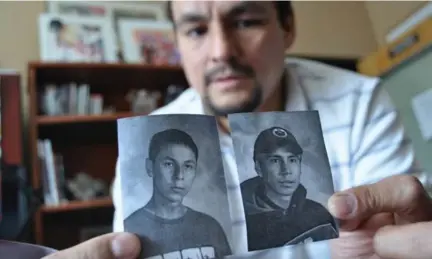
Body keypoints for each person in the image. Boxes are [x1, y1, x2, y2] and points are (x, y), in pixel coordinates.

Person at [39, 1, 432, 259]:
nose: (221, 51)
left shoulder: (360, 100)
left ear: (288, 27)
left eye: (245, 21)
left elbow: (395, 241)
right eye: (195, 30)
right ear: (176, 43)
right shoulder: (147, 139)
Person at [123, 129, 231, 259]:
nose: (179, 175)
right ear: (150, 167)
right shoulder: (130, 228)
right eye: (169, 164)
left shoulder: (210, 227)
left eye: (188, 166)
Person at [241, 127, 338, 250]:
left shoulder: (319, 215)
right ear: (259, 168)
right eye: (275, 160)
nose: (286, 171)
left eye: (292, 160)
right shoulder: (243, 223)